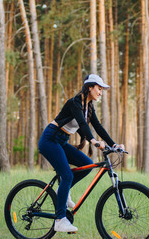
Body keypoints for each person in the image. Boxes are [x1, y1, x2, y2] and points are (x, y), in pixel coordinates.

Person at [38, 74, 125, 233]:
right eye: (99, 88)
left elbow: (98, 127)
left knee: (86, 165)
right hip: (50, 139)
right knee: (68, 176)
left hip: (61, 141)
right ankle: (59, 220)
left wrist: (114, 144)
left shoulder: (89, 107)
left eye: (102, 90)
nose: (101, 92)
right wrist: (93, 141)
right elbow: (83, 124)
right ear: (90, 87)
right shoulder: (75, 102)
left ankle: (61, 192)